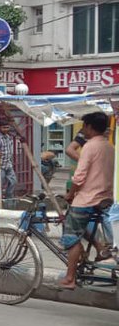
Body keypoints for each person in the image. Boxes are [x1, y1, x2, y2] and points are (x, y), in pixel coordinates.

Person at [56, 112, 115, 289]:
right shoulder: (109, 147)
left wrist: (70, 194)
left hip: (87, 198)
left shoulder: (89, 146)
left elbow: (79, 177)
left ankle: (69, 278)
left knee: (71, 237)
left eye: (84, 126)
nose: (83, 129)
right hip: (104, 197)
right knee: (80, 227)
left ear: (89, 127)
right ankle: (99, 247)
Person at [0, 119, 21, 201]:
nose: (6, 129)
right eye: (4, 128)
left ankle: (8, 197)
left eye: (8, 127)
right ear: (0, 128)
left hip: (8, 164)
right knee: (0, 183)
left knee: (13, 181)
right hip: (0, 165)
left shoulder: (8, 137)